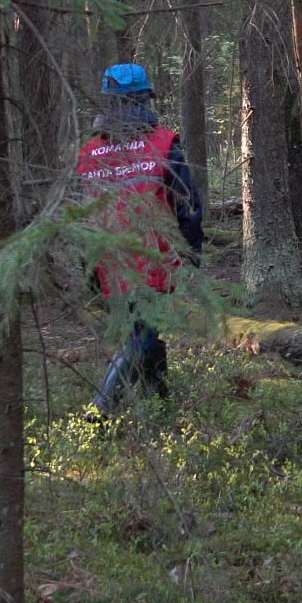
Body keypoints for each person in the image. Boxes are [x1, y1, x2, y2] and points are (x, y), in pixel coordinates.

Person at [76, 63, 204, 414]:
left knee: (144, 329)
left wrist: (89, 265)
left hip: (108, 259)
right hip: (153, 256)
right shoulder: (163, 144)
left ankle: (160, 397)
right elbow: (188, 206)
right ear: (145, 97)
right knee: (141, 336)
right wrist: (192, 250)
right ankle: (100, 411)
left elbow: (82, 215)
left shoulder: (89, 153)